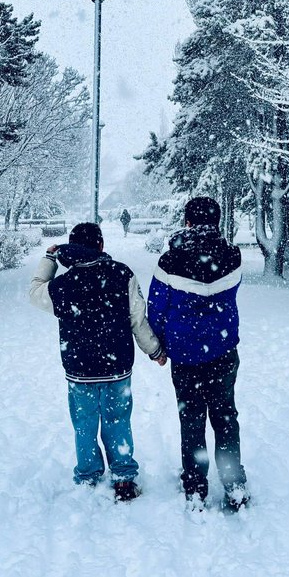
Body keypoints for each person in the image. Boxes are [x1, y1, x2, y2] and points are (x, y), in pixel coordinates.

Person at [30, 221, 167, 501]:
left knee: (84, 423)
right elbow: (137, 320)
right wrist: (154, 350)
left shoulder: (63, 285)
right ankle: (124, 478)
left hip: (79, 369)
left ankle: (89, 474)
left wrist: (49, 258)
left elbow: (34, 292)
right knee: (118, 420)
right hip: (117, 366)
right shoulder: (121, 274)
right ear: (101, 245)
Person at [147, 196, 249, 512]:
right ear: (217, 222)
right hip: (222, 351)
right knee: (225, 417)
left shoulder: (169, 262)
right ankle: (234, 485)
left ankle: (195, 487)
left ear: (187, 222)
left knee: (191, 420)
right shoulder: (233, 257)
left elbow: (156, 308)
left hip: (185, 356)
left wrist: (160, 345)